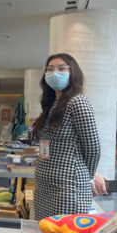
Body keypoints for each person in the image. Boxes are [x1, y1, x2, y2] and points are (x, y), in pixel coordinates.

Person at [33, 54, 101, 220]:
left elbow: (93, 147)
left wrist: (88, 177)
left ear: (73, 72)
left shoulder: (77, 102)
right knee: (45, 232)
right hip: (45, 185)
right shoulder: (51, 104)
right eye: (50, 69)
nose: (54, 73)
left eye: (62, 68)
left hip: (67, 187)